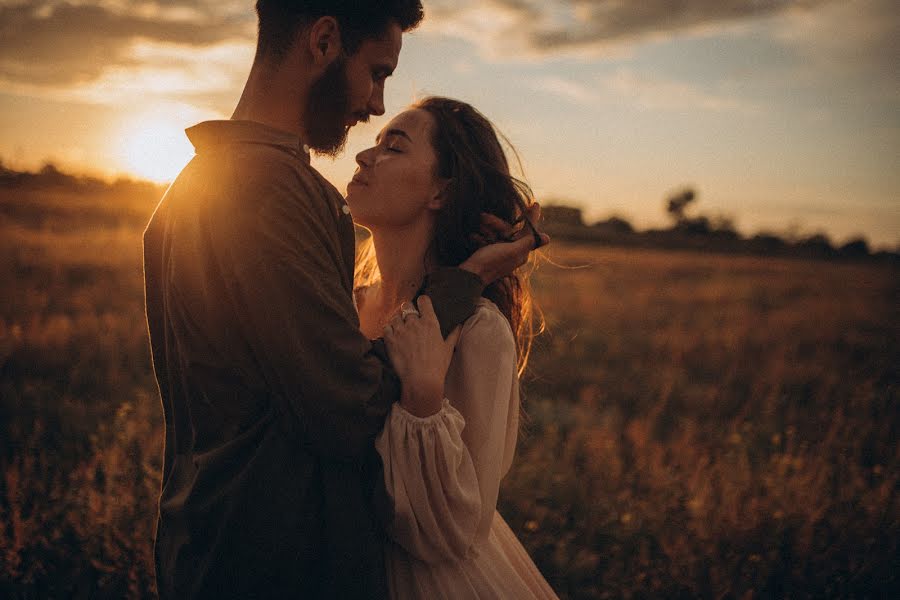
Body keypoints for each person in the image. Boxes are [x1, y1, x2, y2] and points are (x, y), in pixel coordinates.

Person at [142, 2, 547, 599]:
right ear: (325, 40)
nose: (376, 104)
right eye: (378, 71)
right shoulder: (275, 192)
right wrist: (461, 285)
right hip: (267, 559)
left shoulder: (182, 196)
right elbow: (350, 406)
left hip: (202, 537)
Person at [347, 97, 558, 598]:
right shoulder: (341, 304)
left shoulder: (478, 331)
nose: (362, 156)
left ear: (442, 190)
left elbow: (455, 527)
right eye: (374, 143)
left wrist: (422, 403)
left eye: (393, 146)